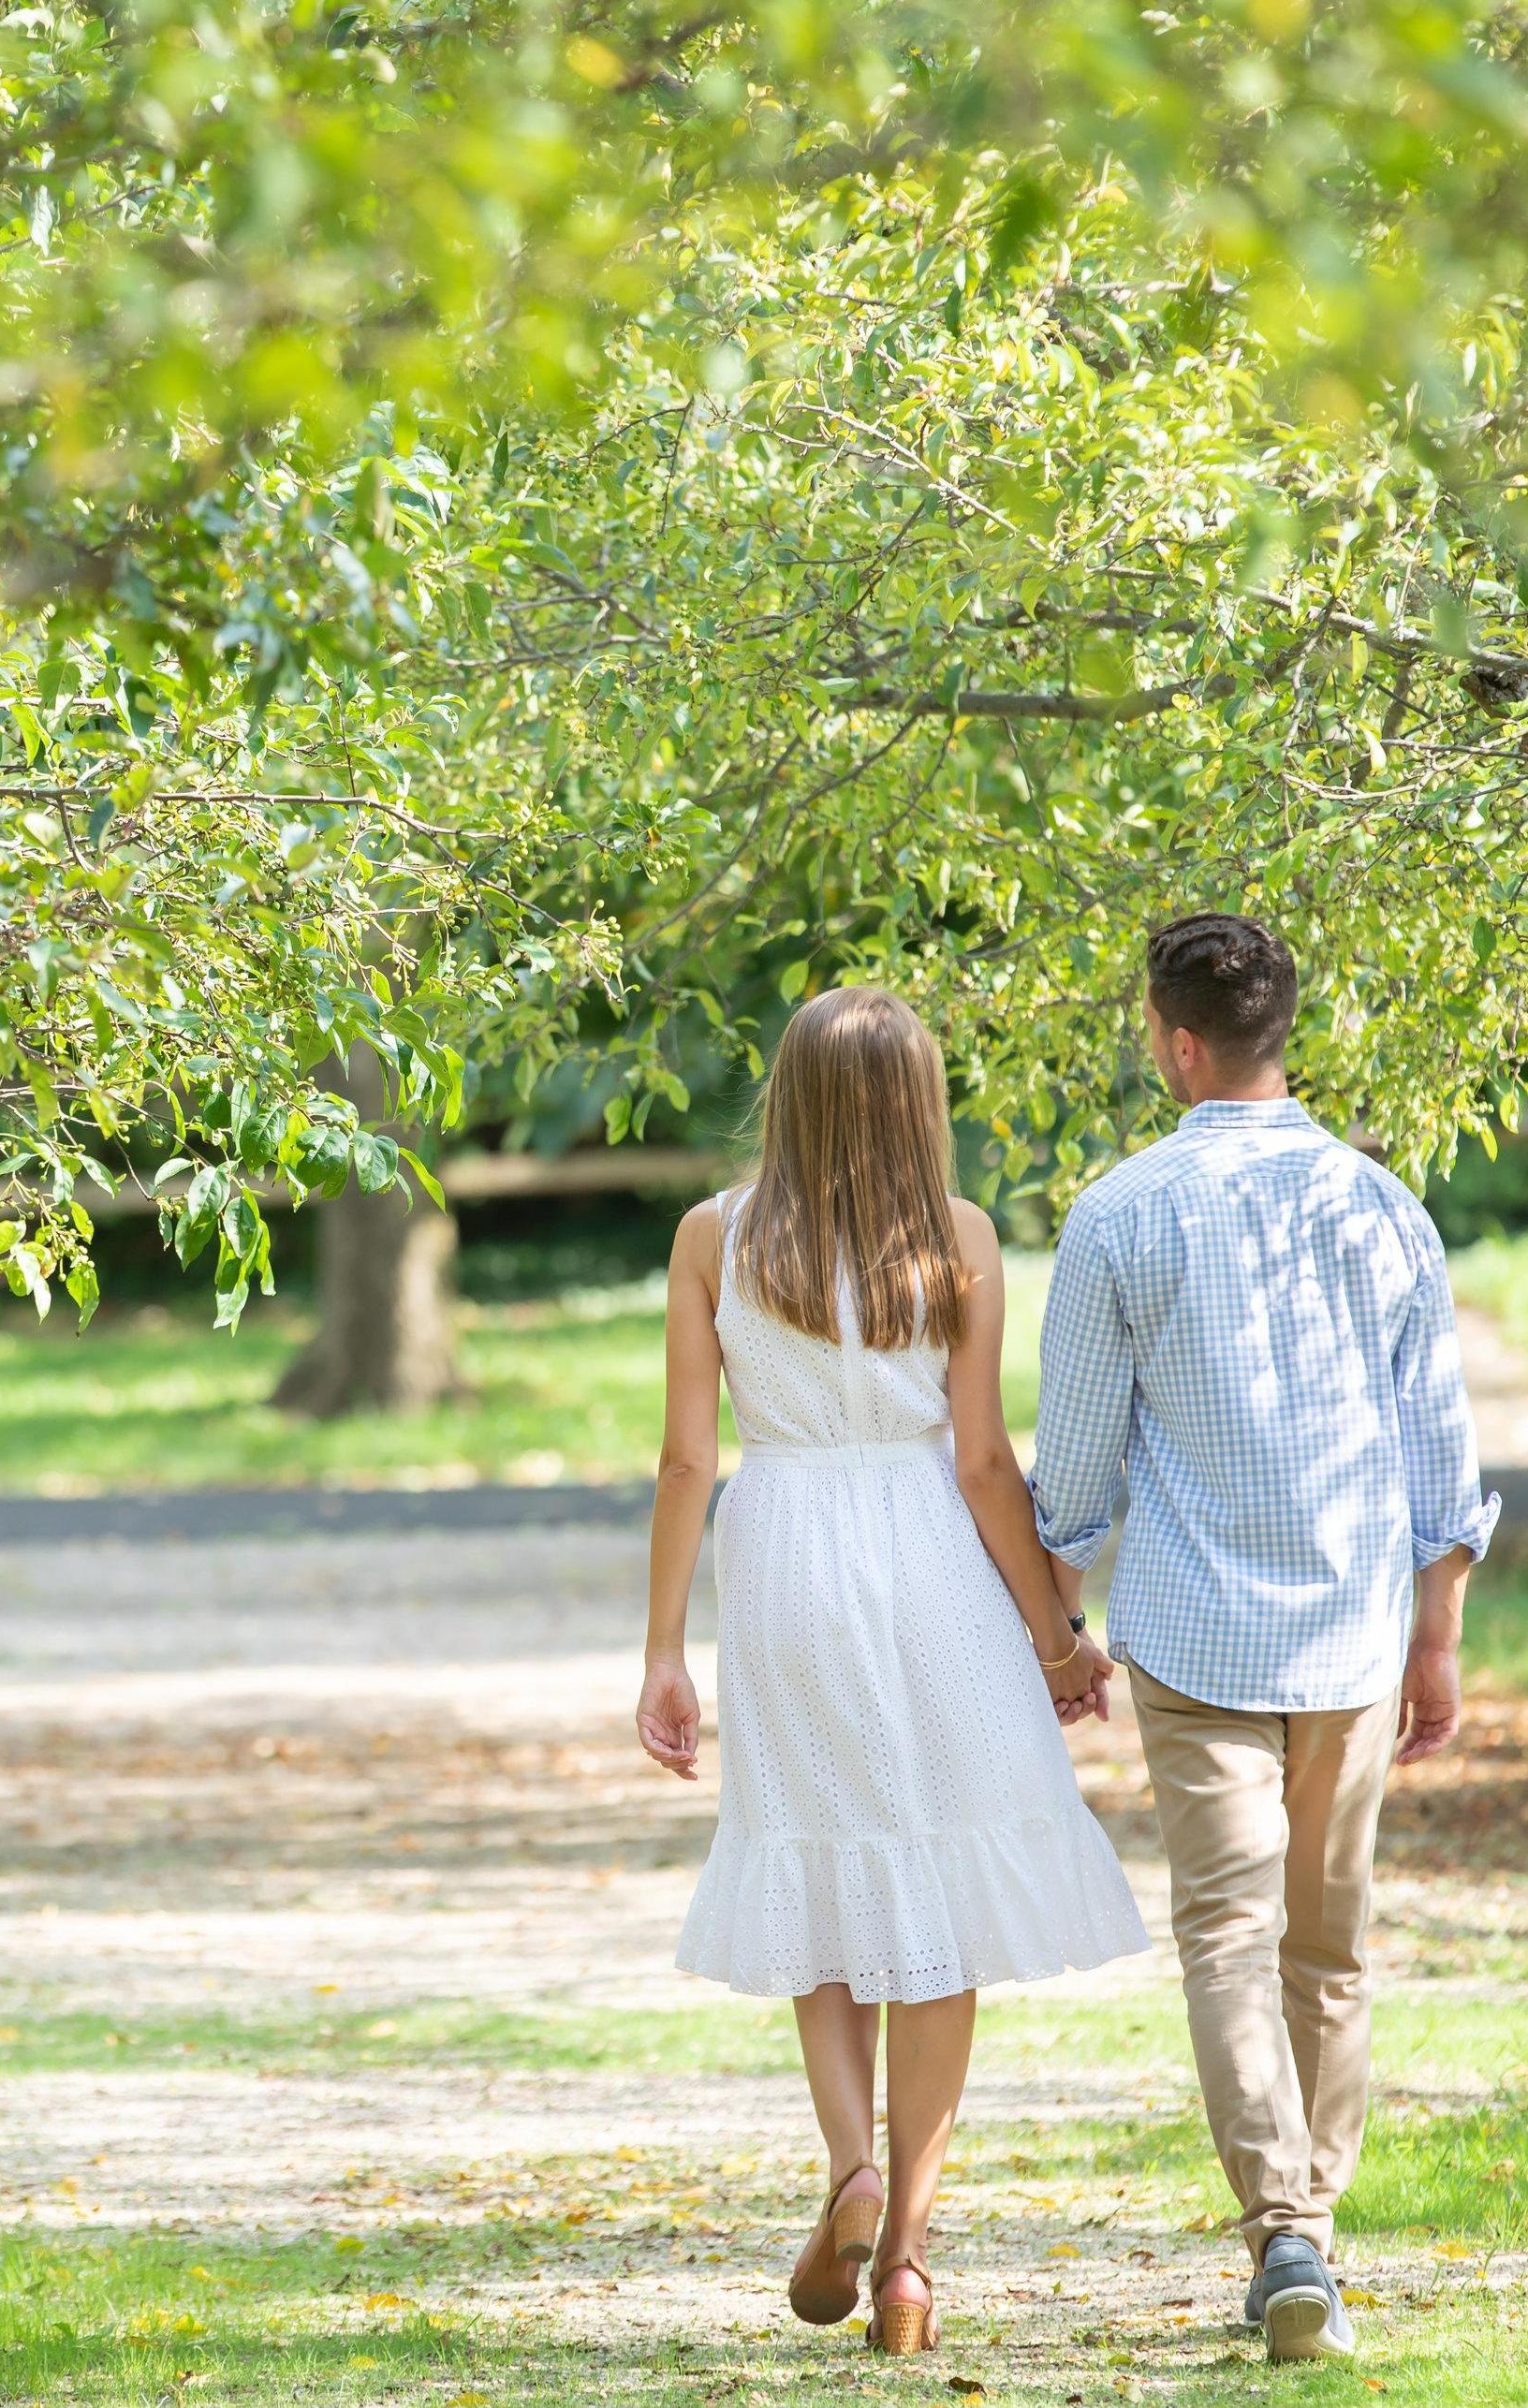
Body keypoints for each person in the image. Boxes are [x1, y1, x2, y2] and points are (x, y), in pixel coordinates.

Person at [636, 985, 1148, 2356]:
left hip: (785, 1557)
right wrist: (1055, 1635)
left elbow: (689, 1458)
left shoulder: (713, 1238)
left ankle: (849, 2172)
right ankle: (910, 2252)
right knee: (936, 1888)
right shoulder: (959, 1239)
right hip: (930, 1560)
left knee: (818, 1860)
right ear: (917, 1100)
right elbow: (983, 1460)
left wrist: (662, 1655)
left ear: (788, 1096)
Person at [1032, 912, 1497, 2366]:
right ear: (1276, 1035)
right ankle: (1316, 2236)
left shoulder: (1117, 1216)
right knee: (1329, 1949)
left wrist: (1061, 1626)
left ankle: (1282, 2232)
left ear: (1177, 1043)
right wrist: (1440, 1640)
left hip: (1191, 1632)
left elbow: (1076, 1473)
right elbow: (1440, 1450)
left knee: (1226, 1939)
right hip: (1353, 1632)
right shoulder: (1383, 1207)